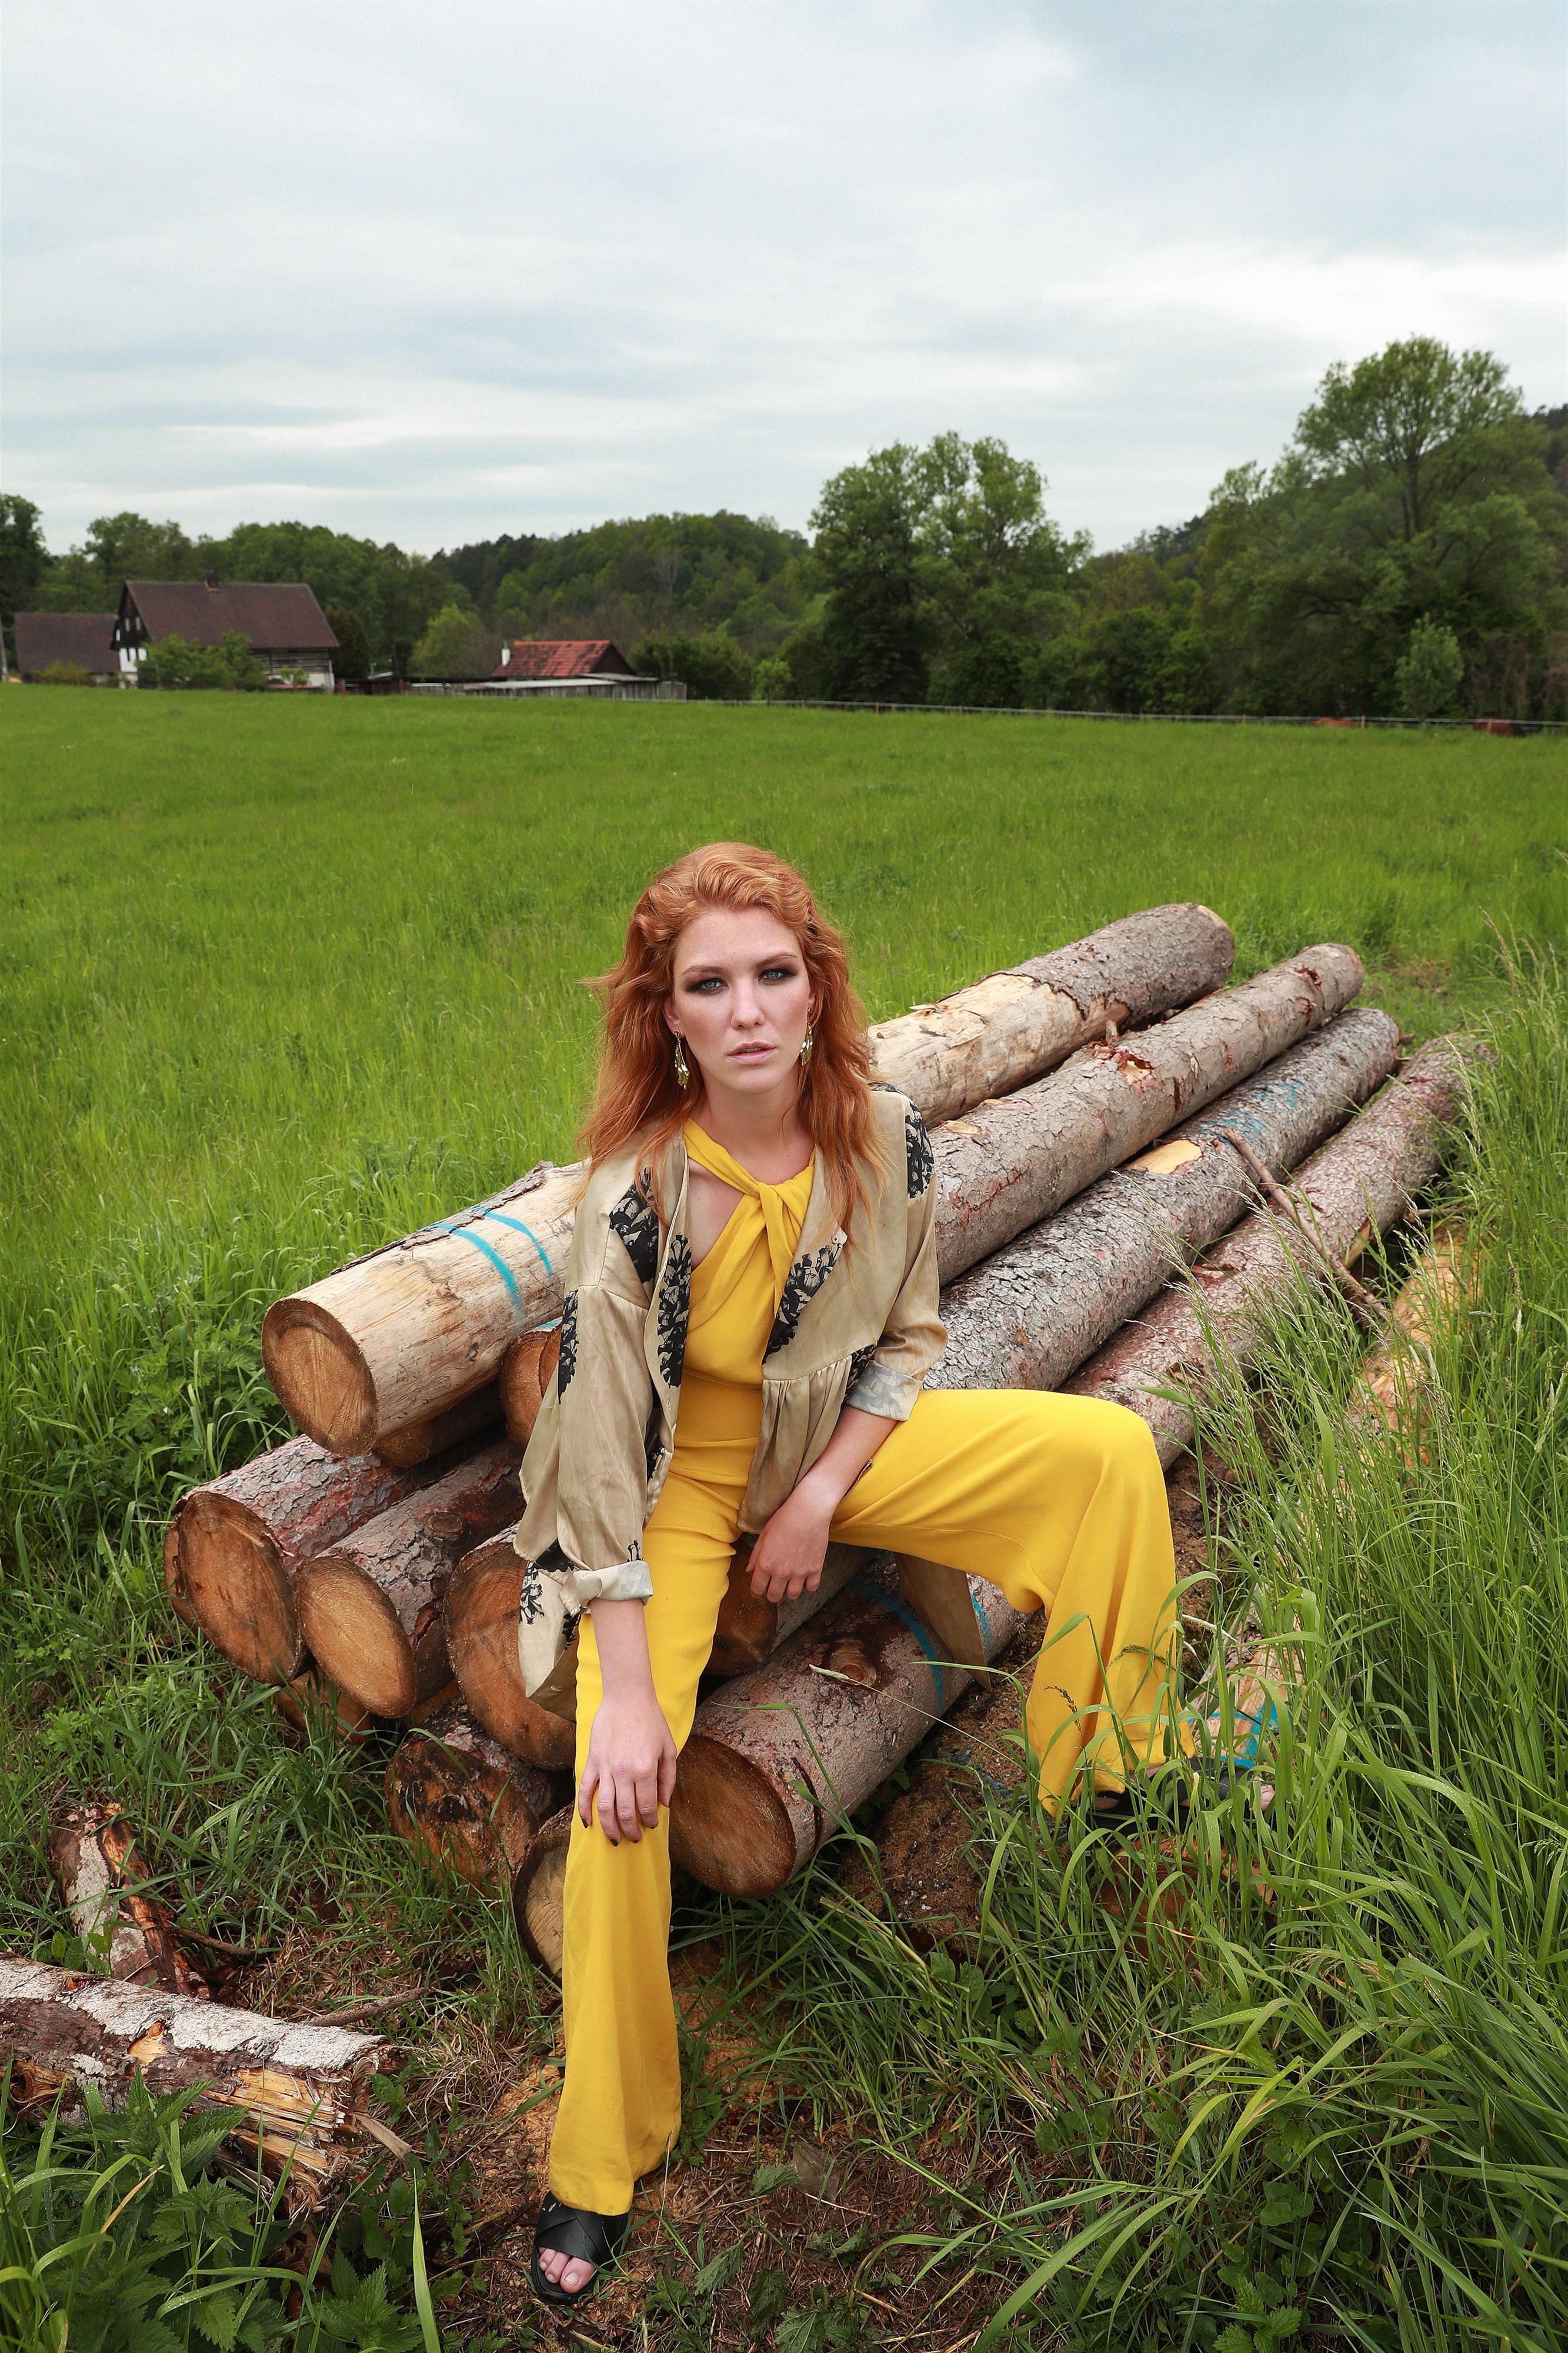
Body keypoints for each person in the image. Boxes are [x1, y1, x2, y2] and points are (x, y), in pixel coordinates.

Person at [519, 843, 1182, 2305]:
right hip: (673, 1487)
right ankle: (604, 2150)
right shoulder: (635, 1195)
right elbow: (599, 1456)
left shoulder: (878, 1134)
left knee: (1107, 1453)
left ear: (815, 990)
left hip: (833, 1444)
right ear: (667, 1014)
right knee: (618, 1792)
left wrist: (821, 1494)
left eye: (775, 974)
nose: (748, 1009)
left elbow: (909, 1340)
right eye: (709, 986)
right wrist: (622, 1692)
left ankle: (1108, 1768)